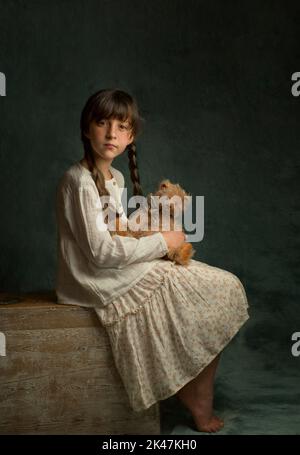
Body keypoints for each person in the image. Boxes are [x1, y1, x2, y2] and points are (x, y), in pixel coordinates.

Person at [55, 88, 249, 433]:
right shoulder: (78, 181)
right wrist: (162, 242)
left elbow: (117, 229)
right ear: (87, 129)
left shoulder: (113, 178)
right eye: (102, 123)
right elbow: (100, 253)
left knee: (220, 285)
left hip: (114, 266)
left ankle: (193, 385)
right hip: (94, 277)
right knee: (216, 286)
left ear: (131, 137)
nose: (111, 133)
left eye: (122, 126)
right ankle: (195, 393)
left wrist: (155, 220)